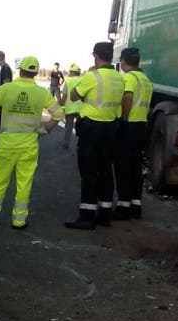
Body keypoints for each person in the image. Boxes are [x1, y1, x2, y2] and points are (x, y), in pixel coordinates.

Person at [0, 56, 63, 229]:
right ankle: (19, 220)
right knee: (24, 183)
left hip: (7, 143)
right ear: (35, 72)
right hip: (29, 145)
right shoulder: (41, 93)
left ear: (21, 71)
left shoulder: (7, 89)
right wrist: (45, 129)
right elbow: (58, 114)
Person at [64, 42, 125, 230]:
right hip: (111, 128)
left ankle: (87, 216)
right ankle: (104, 214)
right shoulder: (119, 78)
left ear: (96, 56)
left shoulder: (93, 76)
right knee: (106, 171)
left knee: (89, 173)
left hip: (92, 129)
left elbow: (74, 96)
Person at [113, 47, 153, 219]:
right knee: (136, 168)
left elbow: (127, 98)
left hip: (129, 126)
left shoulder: (128, 78)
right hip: (141, 126)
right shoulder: (145, 79)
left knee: (123, 167)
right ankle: (136, 205)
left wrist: (123, 117)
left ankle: (123, 207)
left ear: (123, 62)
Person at [61, 63, 82, 149]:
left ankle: (66, 143)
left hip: (69, 109)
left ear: (72, 72)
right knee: (81, 128)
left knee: (68, 127)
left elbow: (64, 95)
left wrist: (61, 102)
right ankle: (80, 144)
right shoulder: (83, 80)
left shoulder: (68, 80)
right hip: (81, 109)